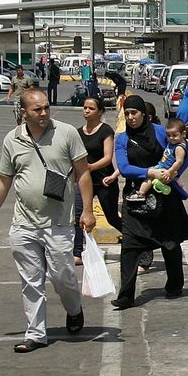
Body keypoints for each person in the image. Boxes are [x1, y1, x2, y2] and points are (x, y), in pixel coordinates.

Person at [0, 88, 96, 354]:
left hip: (59, 223)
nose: (44, 113)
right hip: (24, 223)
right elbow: (3, 180)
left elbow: (83, 174)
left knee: (61, 276)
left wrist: (87, 210)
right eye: (37, 109)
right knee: (31, 281)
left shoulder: (66, 133)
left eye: (46, 108)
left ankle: (74, 309)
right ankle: (36, 334)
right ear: (24, 112)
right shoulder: (12, 140)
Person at [112, 95, 188, 309]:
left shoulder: (161, 133)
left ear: (144, 114)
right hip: (136, 195)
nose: (131, 118)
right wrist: (150, 172)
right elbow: (124, 168)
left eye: (135, 113)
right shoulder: (122, 139)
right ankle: (125, 296)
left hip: (164, 196)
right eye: (128, 114)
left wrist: (172, 174)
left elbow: (185, 155)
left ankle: (175, 285)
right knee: (130, 245)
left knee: (170, 242)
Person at [73, 95, 118, 268]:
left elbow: (107, 158)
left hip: (105, 181)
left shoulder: (105, 131)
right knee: (77, 216)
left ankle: (139, 246)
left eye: (91, 108)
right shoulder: (78, 132)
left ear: (100, 111)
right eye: (85, 107)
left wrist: (90, 167)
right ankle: (77, 253)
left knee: (112, 217)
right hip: (84, 181)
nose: (86, 111)